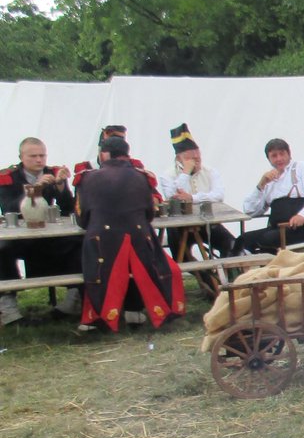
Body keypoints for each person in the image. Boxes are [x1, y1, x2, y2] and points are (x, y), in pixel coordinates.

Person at [76, 136, 185, 332]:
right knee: (147, 262)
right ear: (127, 153)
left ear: (103, 155)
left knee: (98, 266)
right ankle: (141, 310)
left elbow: (83, 218)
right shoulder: (142, 177)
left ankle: (100, 317)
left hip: (103, 243)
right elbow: (149, 213)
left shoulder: (87, 178)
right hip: (139, 240)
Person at [0, 137, 83, 324]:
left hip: (49, 235)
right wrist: (35, 189)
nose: (39, 160)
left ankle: (74, 298)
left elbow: (69, 208)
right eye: (33, 156)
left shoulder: (53, 173)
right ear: (21, 157)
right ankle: (7, 307)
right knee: (2, 249)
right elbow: (9, 208)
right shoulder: (8, 177)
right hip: (21, 237)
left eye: (42, 155)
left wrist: (61, 186)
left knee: (78, 243)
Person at [236, 139, 304, 254]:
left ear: (289, 154)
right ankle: (246, 269)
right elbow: (249, 211)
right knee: (242, 240)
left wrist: (303, 215)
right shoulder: (269, 180)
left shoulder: (303, 168)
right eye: (274, 156)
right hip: (278, 229)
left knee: (268, 239)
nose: (279, 159)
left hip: (302, 228)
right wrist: (261, 185)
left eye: (282, 154)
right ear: (269, 159)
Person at [158, 124, 236, 258]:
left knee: (230, 244)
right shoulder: (167, 175)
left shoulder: (210, 171)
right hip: (179, 228)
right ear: (179, 159)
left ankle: (226, 276)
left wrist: (193, 198)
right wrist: (185, 173)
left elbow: (218, 195)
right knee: (181, 257)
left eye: (197, 156)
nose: (196, 160)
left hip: (207, 223)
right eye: (190, 158)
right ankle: (207, 278)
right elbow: (174, 197)